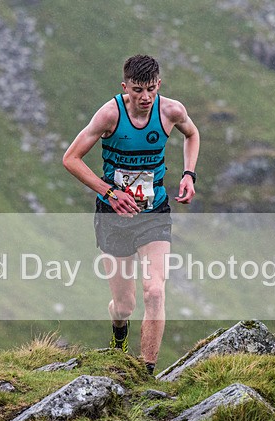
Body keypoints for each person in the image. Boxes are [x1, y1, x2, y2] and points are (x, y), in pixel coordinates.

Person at [62, 54, 200, 376]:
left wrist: (189, 174)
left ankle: (146, 374)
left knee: (154, 291)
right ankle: (119, 333)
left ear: (159, 85)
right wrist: (109, 192)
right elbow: (71, 159)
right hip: (115, 216)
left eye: (151, 89)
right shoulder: (110, 114)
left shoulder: (171, 111)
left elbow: (191, 134)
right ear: (125, 87)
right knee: (125, 306)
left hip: (154, 213)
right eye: (138, 90)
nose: (145, 97)